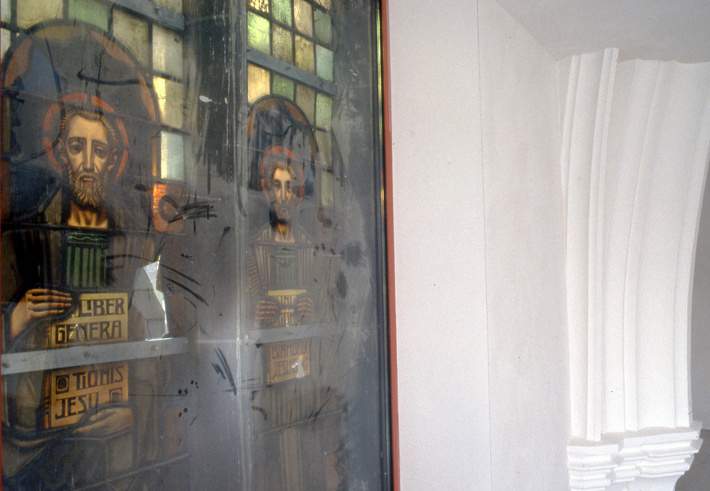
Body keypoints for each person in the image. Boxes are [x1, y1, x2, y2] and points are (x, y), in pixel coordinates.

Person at [2, 106, 163, 489]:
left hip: (114, 439)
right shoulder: (26, 237)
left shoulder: (139, 247)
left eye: (99, 150)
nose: (88, 162)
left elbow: (156, 336)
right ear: (60, 153)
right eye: (77, 147)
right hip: (38, 441)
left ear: (113, 160)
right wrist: (15, 318)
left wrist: (133, 410)